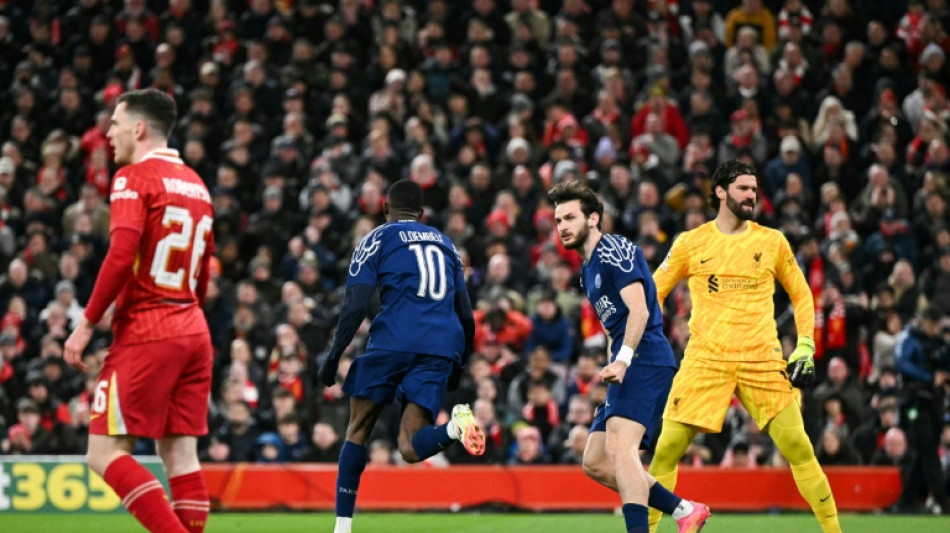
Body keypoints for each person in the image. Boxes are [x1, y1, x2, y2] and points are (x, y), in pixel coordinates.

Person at [647, 160, 841, 533]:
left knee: (799, 447)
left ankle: (834, 532)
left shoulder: (772, 241)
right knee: (666, 450)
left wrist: (804, 345)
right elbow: (654, 292)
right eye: (743, 189)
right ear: (720, 192)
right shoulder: (690, 242)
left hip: (761, 359)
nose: (752, 195)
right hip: (706, 359)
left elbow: (801, 293)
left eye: (754, 189)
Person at [63, 89, 215, 533]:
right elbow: (204, 271)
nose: (107, 133)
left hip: (150, 329)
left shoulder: (133, 177)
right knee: (180, 456)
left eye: (114, 122)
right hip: (193, 326)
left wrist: (86, 322)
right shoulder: (197, 185)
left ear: (139, 128)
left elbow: (121, 249)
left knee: (104, 453)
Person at [317, 179, 484, 533]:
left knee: (359, 427)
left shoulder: (377, 238)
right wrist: (459, 363)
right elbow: (467, 314)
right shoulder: (447, 244)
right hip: (442, 345)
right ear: (421, 214)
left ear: (384, 208)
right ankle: (455, 427)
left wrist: (334, 356)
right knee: (410, 447)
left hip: (394, 339)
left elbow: (356, 304)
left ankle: (343, 527)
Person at [549, 181, 709, 533]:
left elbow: (638, 311)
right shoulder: (587, 270)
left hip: (645, 356)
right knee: (595, 461)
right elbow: (612, 329)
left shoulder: (614, 249)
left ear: (593, 218)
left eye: (570, 217)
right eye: (558, 220)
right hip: (628, 361)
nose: (562, 226)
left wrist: (623, 359)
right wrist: (612, 367)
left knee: (623, 453)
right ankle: (683, 510)